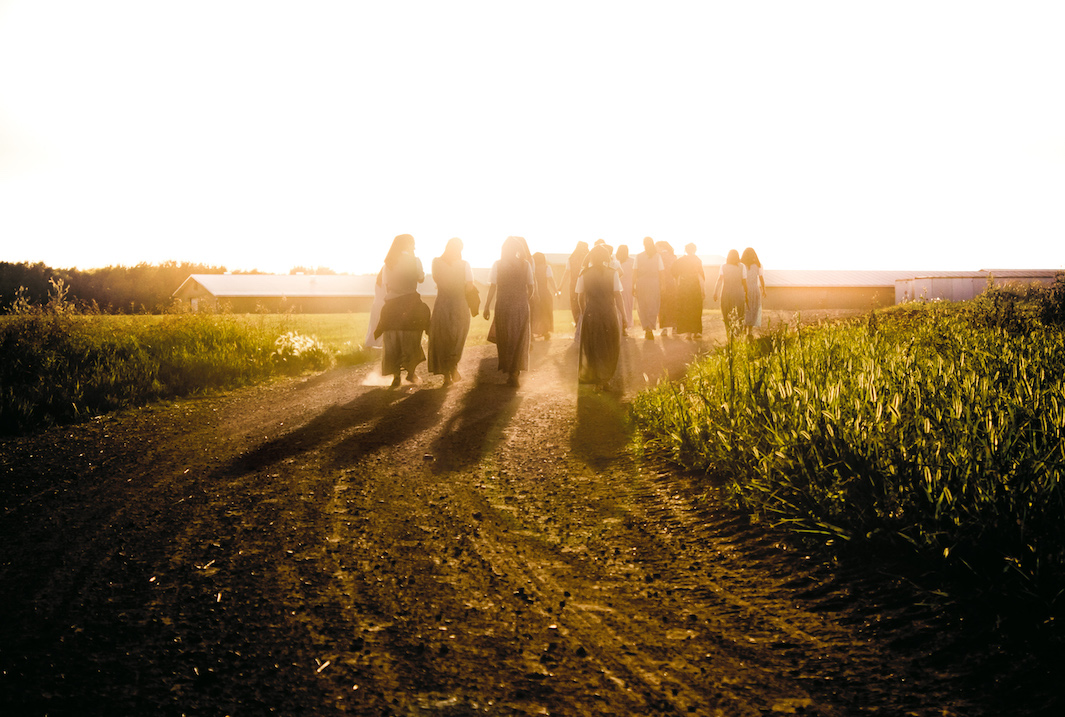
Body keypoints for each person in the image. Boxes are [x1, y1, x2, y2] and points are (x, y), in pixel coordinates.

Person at [376, 234, 428, 387]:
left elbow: (386, 285)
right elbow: (421, 278)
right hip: (410, 303)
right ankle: (411, 374)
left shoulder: (388, 263)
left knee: (392, 339)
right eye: (413, 244)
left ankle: (396, 375)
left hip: (392, 304)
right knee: (413, 336)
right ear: (407, 245)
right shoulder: (415, 261)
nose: (415, 247)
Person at [483, 236, 535, 387]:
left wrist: (487, 306)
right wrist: (523, 299)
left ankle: (511, 372)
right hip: (521, 306)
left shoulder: (498, 265)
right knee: (519, 339)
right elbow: (531, 286)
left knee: (506, 339)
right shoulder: (525, 265)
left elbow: (492, 286)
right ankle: (515, 373)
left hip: (503, 305)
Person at [576, 244, 625, 390]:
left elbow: (580, 297)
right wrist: (623, 315)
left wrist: (584, 311)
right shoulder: (613, 273)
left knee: (593, 346)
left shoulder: (584, 273)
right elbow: (618, 295)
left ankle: (597, 379)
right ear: (606, 257)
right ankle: (605, 378)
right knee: (609, 346)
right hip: (609, 312)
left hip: (591, 313)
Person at [427, 238, 474, 386]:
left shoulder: (436, 262)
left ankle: (447, 375)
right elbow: (470, 286)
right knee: (458, 336)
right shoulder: (465, 265)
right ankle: (453, 365)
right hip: (460, 303)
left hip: (442, 303)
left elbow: (437, 279)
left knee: (442, 337)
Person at [633, 236, 663, 340]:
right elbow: (661, 272)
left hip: (641, 283)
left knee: (642, 305)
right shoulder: (657, 256)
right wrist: (662, 285)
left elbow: (635, 272)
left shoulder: (638, 256)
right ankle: (650, 326)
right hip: (654, 283)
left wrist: (633, 285)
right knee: (653, 305)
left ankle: (646, 328)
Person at [672, 243, 705, 338]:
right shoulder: (697, 260)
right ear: (695, 250)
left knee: (686, 309)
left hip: (684, 286)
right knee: (696, 309)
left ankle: (688, 334)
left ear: (686, 250)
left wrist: (678, 281)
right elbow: (701, 276)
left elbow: (673, 271)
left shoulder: (681, 260)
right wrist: (703, 290)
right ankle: (695, 332)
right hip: (694, 286)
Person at [713, 248, 747, 339]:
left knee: (726, 314)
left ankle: (729, 335)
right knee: (740, 314)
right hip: (738, 294)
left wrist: (715, 292)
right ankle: (738, 335)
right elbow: (744, 282)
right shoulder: (742, 266)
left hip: (726, 293)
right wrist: (746, 294)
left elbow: (719, 280)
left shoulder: (723, 266)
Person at [557, 241, 589, 328]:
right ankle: (584, 324)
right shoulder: (588, 258)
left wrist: (560, 287)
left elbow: (566, 273)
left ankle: (578, 323)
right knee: (585, 304)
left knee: (575, 305)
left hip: (574, 286)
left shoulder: (571, 259)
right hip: (587, 285)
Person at [741, 247, 766, 339]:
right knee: (753, 309)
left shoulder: (741, 265)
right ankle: (749, 331)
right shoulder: (758, 265)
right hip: (754, 289)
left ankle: (744, 326)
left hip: (744, 288)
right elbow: (761, 278)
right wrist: (763, 289)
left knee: (745, 309)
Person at [531, 252, 557, 340]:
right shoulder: (547, 267)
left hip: (534, 293)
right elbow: (550, 279)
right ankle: (545, 332)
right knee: (546, 311)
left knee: (536, 313)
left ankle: (534, 332)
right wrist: (556, 290)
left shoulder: (532, 268)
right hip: (544, 292)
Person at [656, 241, 678, 337]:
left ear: (661, 247)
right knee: (673, 305)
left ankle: (664, 328)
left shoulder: (658, 257)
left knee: (662, 305)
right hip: (672, 283)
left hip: (662, 283)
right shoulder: (673, 257)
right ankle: (674, 327)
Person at [364, 267, 385, 349]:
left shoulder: (378, 283)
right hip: (382, 305)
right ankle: (378, 343)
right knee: (379, 325)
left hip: (376, 305)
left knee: (373, 325)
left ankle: (370, 343)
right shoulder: (385, 283)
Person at [615, 244, 634, 335]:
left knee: (618, 306)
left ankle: (619, 325)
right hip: (628, 286)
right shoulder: (632, 261)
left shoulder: (615, 261)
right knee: (628, 307)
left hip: (618, 286)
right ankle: (626, 326)